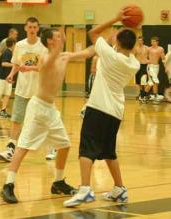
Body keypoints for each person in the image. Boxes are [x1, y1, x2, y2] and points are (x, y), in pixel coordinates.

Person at [0, 27, 95, 204]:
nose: (61, 38)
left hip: (50, 109)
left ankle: (58, 182)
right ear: (50, 41)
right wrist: (56, 51)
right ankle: (8, 185)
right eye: (58, 36)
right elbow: (47, 63)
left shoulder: (64, 55)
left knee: (64, 145)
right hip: (37, 108)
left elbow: (88, 52)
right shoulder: (45, 56)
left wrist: (102, 42)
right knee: (23, 147)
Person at [63, 9, 140, 207]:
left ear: (118, 43)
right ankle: (120, 189)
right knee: (108, 152)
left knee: (86, 149)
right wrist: (130, 30)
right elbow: (131, 45)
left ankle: (85, 189)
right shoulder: (134, 63)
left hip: (98, 108)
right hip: (115, 111)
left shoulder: (110, 55)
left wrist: (115, 19)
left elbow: (93, 33)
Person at [0, 17, 52, 162]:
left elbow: (43, 67)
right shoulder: (20, 45)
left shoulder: (43, 46)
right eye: (30, 27)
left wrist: (29, 68)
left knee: (44, 120)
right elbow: (16, 63)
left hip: (38, 91)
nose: (32, 30)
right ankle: (10, 148)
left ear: (37, 29)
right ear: (25, 28)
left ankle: (52, 148)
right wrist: (11, 74)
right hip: (22, 89)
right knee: (16, 120)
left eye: (34, 27)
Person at [145, 36, 166, 102]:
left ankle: (144, 96)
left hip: (156, 67)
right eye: (151, 41)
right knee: (155, 81)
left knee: (151, 82)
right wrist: (147, 61)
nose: (152, 43)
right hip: (150, 67)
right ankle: (155, 96)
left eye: (154, 41)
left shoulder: (160, 49)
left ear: (157, 42)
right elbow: (145, 57)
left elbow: (163, 59)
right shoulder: (149, 49)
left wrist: (166, 67)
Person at [134, 36, 149, 102]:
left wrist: (149, 61)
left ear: (143, 41)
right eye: (138, 40)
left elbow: (150, 56)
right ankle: (141, 93)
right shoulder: (135, 48)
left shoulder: (147, 48)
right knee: (138, 81)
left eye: (141, 40)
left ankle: (143, 95)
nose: (140, 42)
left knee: (144, 80)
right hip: (137, 65)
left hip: (144, 65)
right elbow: (133, 56)